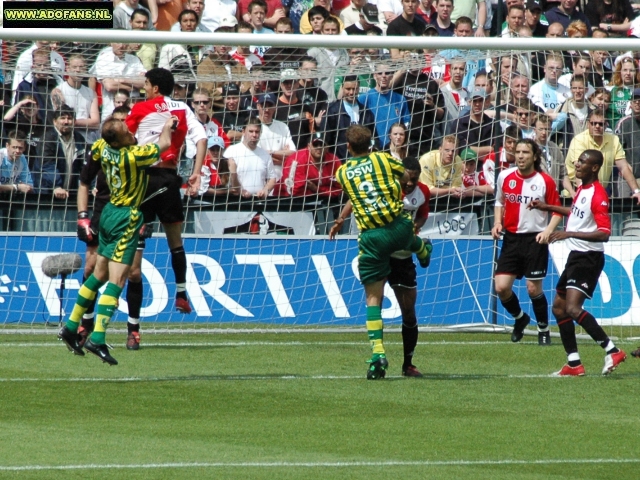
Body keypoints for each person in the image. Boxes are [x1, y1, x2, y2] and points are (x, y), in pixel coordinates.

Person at [58, 115, 176, 365]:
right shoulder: (132, 156)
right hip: (126, 217)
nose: (131, 131)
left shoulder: (101, 147)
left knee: (98, 274)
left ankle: (70, 327)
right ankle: (98, 337)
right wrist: (167, 126)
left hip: (108, 212)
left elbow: (90, 172)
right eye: (126, 131)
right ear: (121, 139)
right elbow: (165, 143)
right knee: (118, 279)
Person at [330, 125, 433, 379]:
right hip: (398, 228)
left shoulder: (342, 172)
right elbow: (402, 175)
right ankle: (421, 248)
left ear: (348, 147)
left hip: (372, 238)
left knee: (373, 300)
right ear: (372, 144)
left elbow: (356, 193)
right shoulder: (384, 159)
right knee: (407, 234)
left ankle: (378, 354)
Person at [529, 150, 627, 375]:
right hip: (576, 257)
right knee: (559, 308)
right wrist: (548, 207)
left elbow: (604, 233)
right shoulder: (582, 190)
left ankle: (612, 350)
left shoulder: (598, 194)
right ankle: (574, 363)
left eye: (583, 161)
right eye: (578, 160)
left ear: (594, 168)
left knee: (572, 308)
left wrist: (569, 234)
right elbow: (576, 214)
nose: (577, 163)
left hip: (588, 258)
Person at [125, 68, 207, 314]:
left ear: (155, 88)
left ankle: (133, 327)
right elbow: (201, 139)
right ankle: (181, 293)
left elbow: (124, 140)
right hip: (170, 180)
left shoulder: (139, 108)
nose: (144, 88)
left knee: (135, 260)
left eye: (146, 84)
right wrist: (196, 172)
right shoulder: (182, 108)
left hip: (143, 180)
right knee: (176, 243)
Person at [491, 138, 563, 345]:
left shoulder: (544, 180)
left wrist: (547, 232)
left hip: (535, 239)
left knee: (533, 289)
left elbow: (557, 211)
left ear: (534, 156)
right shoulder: (505, 176)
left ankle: (543, 329)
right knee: (501, 288)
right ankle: (520, 318)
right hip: (511, 239)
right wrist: (497, 222)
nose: (521, 156)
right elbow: (499, 201)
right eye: (518, 152)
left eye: (525, 152)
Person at [563, 110, 640, 200]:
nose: (597, 126)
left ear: (606, 125)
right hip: (575, 192)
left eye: (601, 124)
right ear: (588, 124)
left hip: (599, 192)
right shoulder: (579, 140)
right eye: (593, 123)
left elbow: (624, 167)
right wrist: (584, 193)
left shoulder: (614, 140)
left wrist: (637, 192)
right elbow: (579, 168)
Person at [225, 117, 277, 197]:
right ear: (243, 132)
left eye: (257, 132)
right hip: (235, 200)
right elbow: (224, 179)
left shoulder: (265, 155)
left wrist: (265, 191)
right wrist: (240, 189)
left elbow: (272, 179)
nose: (254, 135)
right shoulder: (231, 151)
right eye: (251, 131)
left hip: (258, 202)